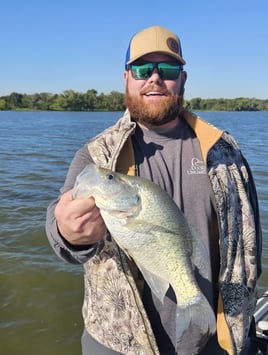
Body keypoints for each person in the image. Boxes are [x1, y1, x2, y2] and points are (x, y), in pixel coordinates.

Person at [46, 25, 262, 355]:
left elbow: (249, 246)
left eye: (169, 69)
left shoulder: (225, 153)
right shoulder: (97, 156)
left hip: (219, 340)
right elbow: (61, 229)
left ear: (183, 80)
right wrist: (67, 231)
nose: (155, 78)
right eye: (143, 69)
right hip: (118, 345)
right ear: (127, 78)